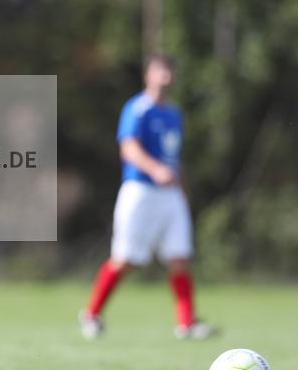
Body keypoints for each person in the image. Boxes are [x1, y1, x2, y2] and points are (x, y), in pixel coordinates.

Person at [79, 54, 217, 340]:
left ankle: (187, 323)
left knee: (179, 256)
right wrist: (155, 170)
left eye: (169, 72)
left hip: (170, 194)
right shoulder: (137, 108)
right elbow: (128, 148)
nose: (165, 77)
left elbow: (175, 160)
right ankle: (91, 314)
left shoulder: (174, 114)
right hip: (140, 190)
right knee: (126, 258)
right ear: (148, 75)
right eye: (160, 72)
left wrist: (182, 189)